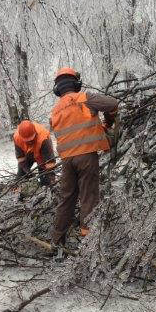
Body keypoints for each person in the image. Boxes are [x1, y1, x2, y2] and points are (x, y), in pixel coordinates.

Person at [50, 67, 119, 246]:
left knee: (66, 199)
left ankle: (57, 241)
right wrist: (108, 123)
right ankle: (88, 242)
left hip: (67, 161)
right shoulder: (85, 98)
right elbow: (113, 104)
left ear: (58, 88)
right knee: (89, 197)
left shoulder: (55, 111)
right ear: (76, 83)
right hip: (87, 156)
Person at [13, 120, 56, 187]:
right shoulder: (17, 138)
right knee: (21, 176)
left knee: (45, 178)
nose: (29, 142)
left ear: (35, 133)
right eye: (27, 140)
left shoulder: (43, 137)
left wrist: (51, 179)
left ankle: (48, 188)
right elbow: (21, 158)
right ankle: (20, 192)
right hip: (27, 154)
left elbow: (49, 162)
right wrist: (27, 171)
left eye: (31, 140)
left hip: (41, 155)